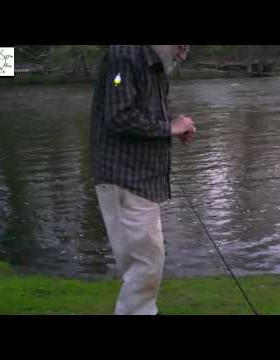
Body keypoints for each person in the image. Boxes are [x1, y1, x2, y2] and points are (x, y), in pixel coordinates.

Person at [90, 45, 195, 315]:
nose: (183, 55)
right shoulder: (124, 56)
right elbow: (119, 116)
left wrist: (173, 123)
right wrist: (169, 128)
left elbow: (143, 115)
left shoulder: (153, 66)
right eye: (182, 46)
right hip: (124, 178)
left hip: (139, 180)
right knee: (146, 264)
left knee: (143, 264)